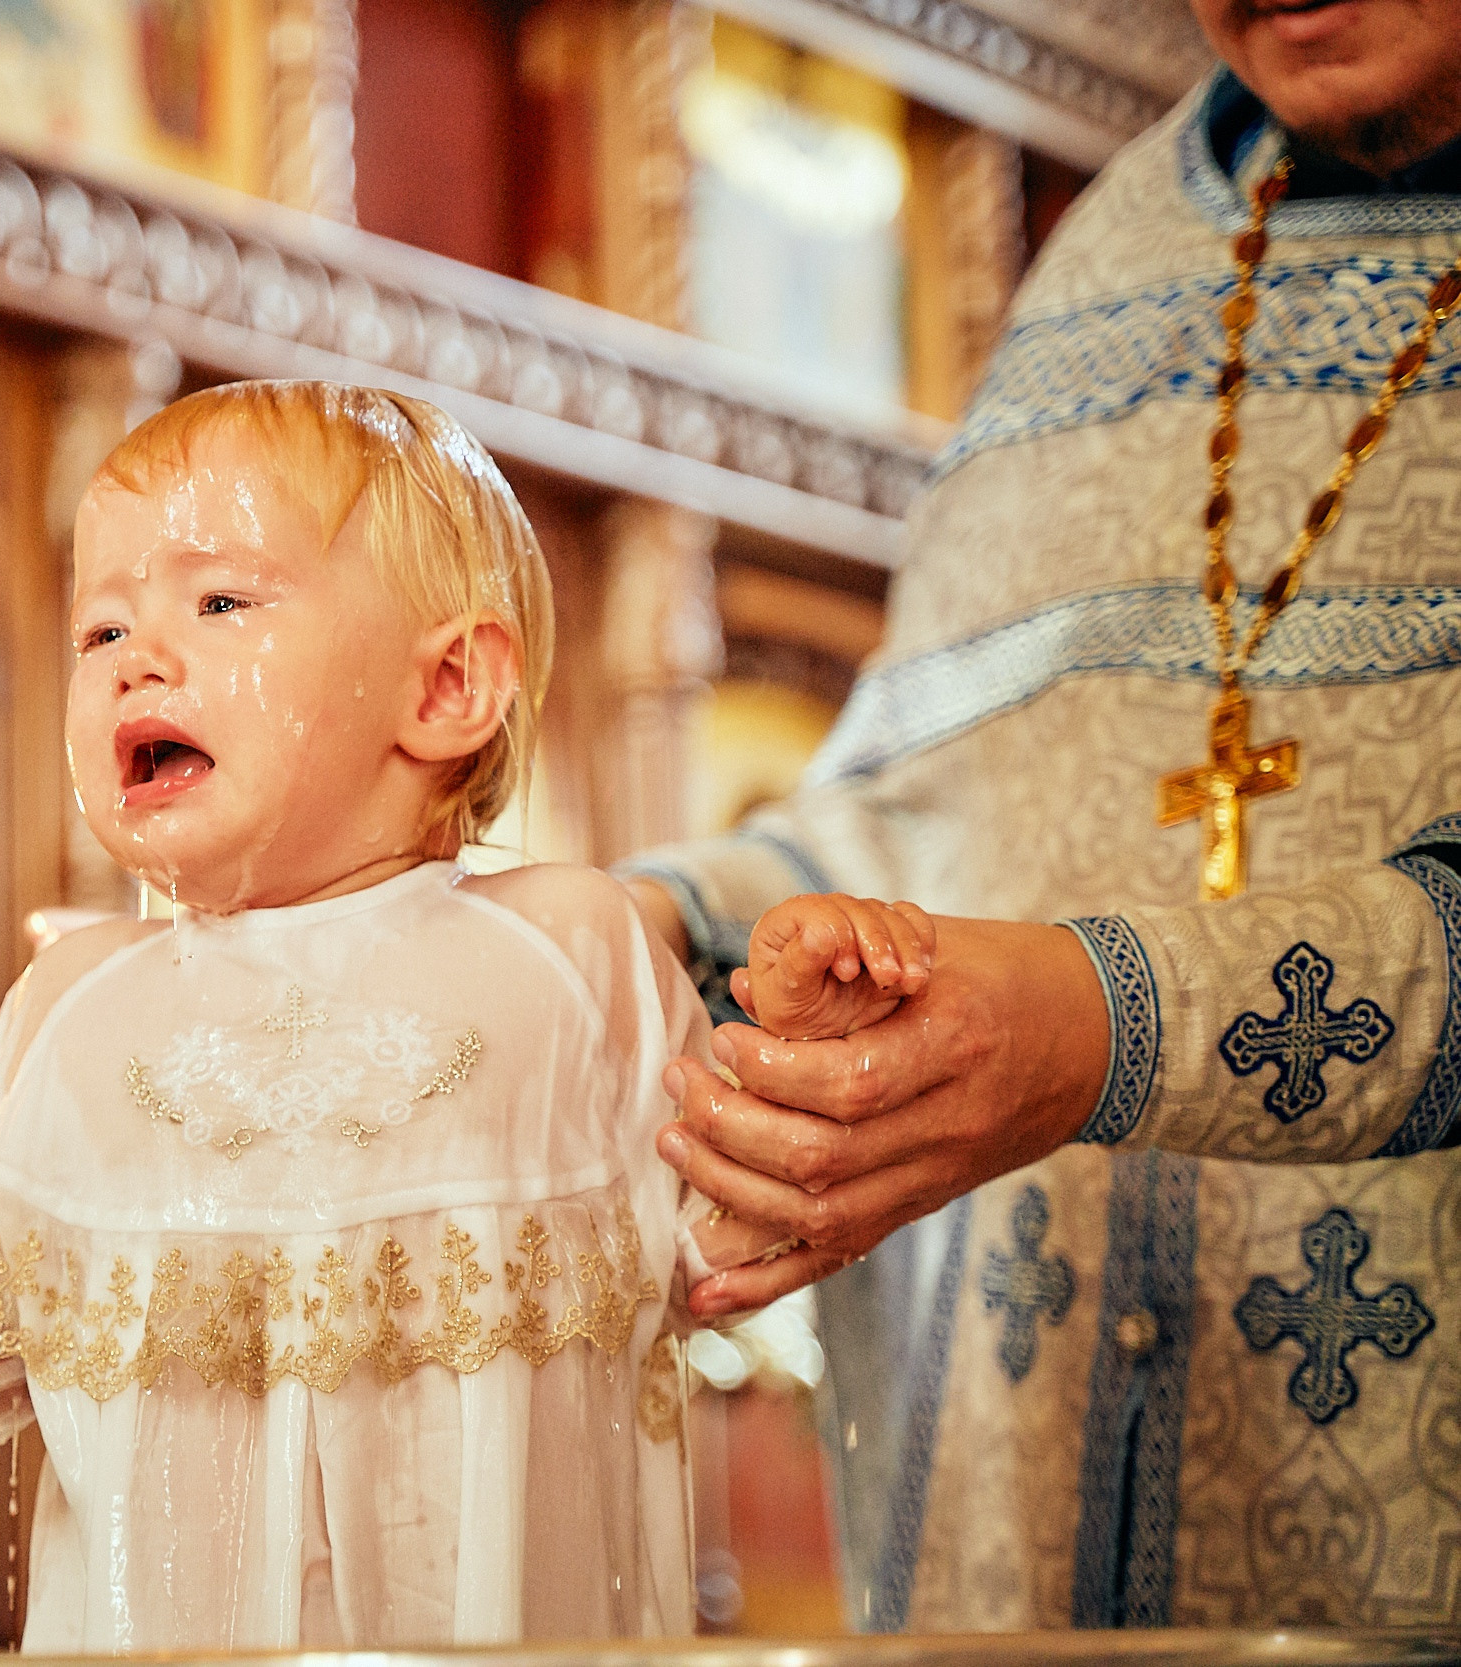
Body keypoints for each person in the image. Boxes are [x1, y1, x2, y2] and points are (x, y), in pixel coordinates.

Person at [0, 382, 916, 1649]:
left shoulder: (570, 949)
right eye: (101, 631)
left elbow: (736, 1240)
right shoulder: (77, 1007)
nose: (137, 660)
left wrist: (810, 1053)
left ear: (446, 687)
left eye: (220, 599)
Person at [619, 0, 1461, 1630]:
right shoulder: (1114, 251)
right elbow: (919, 802)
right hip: (1019, 1525)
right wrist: (649, 923)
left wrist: (1100, 1026)